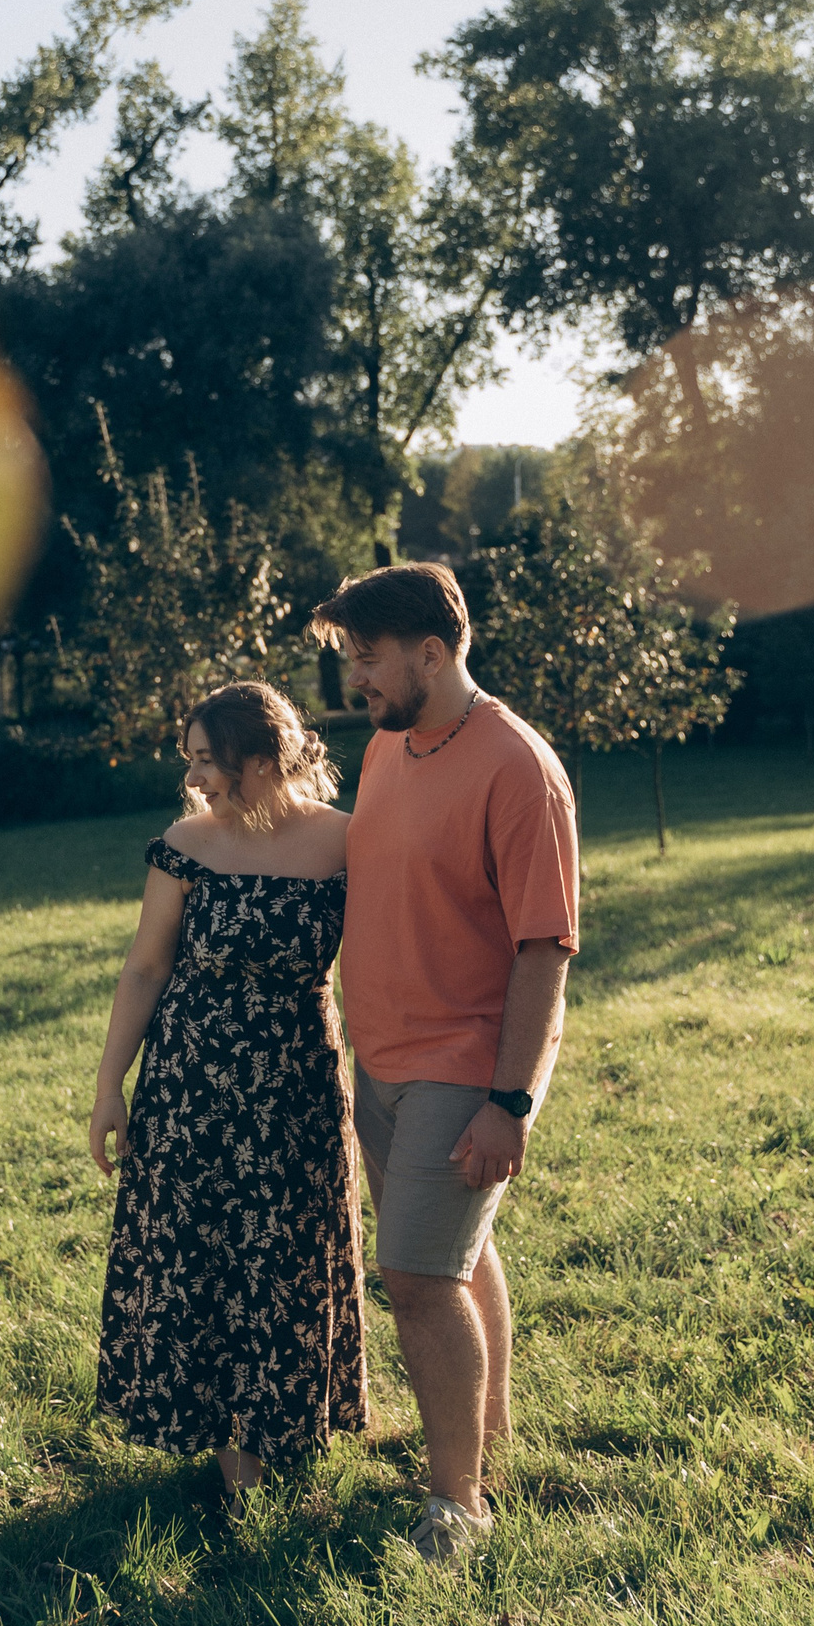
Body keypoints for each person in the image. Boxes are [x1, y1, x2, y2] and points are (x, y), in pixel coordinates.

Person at [311, 564, 578, 1565]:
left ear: (431, 653)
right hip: (379, 1059)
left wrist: (510, 1101)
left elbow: (545, 947)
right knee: (455, 1257)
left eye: (367, 659)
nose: (355, 681)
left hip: (461, 1065)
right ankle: (488, 1433)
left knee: (417, 1278)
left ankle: (457, 1504)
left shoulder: (516, 766)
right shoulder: (392, 744)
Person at [86, 681, 370, 1514]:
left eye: (208, 760)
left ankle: (288, 1426)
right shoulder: (186, 844)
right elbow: (146, 967)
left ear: (264, 758)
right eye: (191, 760)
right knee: (204, 1260)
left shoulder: (347, 841)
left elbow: (389, 951)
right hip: (191, 1089)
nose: (195, 778)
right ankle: (235, 1468)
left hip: (298, 1087)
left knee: (288, 1257)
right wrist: (110, 1087)